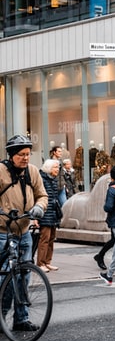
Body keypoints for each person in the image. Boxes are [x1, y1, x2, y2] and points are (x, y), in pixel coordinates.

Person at [0, 135, 48, 331]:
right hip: (2, 232)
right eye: (21, 154)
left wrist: (39, 207)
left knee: (24, 277)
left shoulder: (33, 171)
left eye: (28, 154)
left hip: (24, 231)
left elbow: (42, 195)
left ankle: (21, 320)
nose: (26, 158)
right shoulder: (1, 172)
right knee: (6, 279)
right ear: (12, 155)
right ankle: (1, 318)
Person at [36, 159, 62, 273]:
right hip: (45, 213)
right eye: (55, 167)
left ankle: (47, 262)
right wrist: (36, 218)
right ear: (48, 168)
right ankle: (40, 263)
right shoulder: (42, 179)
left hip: (53, 213)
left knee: (51, 239)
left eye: (58, 167)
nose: (57, 169)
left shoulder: (53, 180)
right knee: (44, 239)